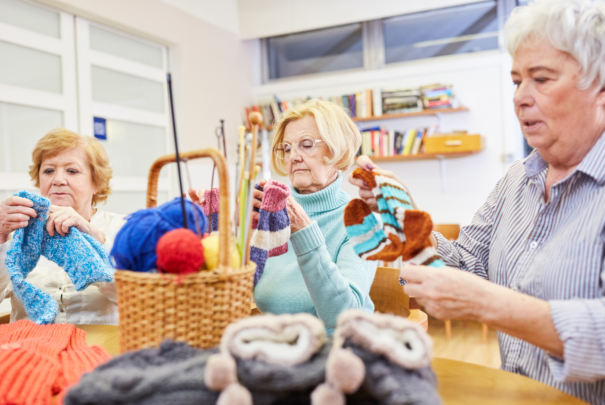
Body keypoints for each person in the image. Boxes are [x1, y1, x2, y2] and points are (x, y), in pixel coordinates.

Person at [351, 0, 605, 403]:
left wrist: (490, 304)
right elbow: (464, 263)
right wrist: (404, 215)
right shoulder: (515, 181)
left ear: (600, 91)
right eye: (517, 81)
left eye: (540, 79)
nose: (521, 97)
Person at [191, 99, 376, 335]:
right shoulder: (270, 214)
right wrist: (233, 230)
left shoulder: (362, 221)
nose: (293, 157)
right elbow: (229, 292)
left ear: (337, 151)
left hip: (338, 354)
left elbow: (343, 317)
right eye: (287, 148)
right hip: (277, 348)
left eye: (306, 145)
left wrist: (304, 231)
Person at [0, 129, 125, 324]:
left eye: (72, 171)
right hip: (29, 349)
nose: (57, 180)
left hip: (101, 350)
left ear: (96, 182)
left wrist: (92, 237)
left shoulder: (122, 230)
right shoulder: (20, 235)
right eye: (48, 171)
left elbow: (144, 301)